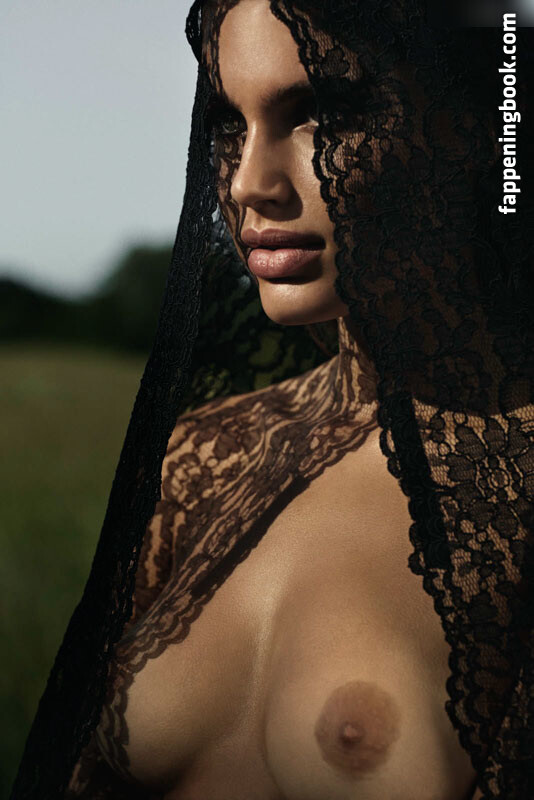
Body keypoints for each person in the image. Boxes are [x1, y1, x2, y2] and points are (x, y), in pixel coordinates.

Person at [11, 1, 533, 799]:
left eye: (322, 111)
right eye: (228, 123)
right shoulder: (202, 455)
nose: (249, 183)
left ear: (469, 124)